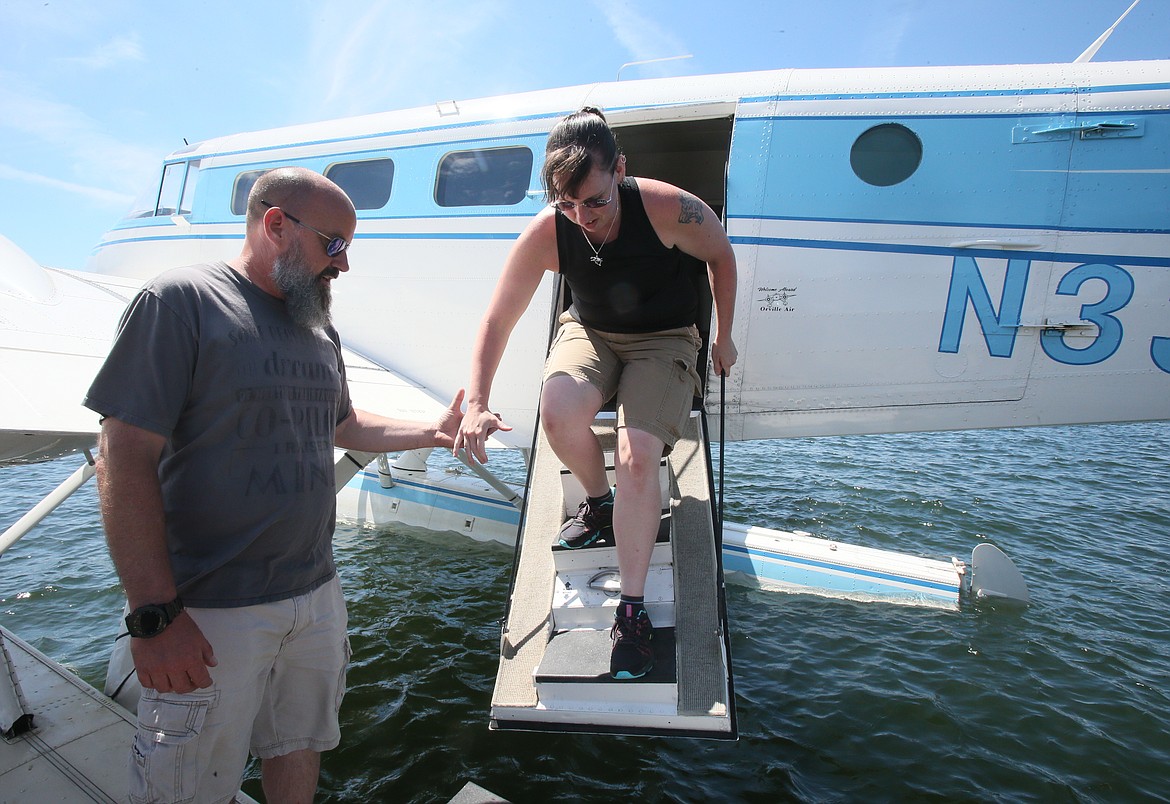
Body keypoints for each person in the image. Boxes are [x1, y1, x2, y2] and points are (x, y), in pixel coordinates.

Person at [84, 166, 463, 804]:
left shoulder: (319, 327)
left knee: (299, 743)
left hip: (315, 595)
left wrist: (434, 430)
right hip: (207, 614)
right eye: (333, 244)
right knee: (186, 784)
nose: (342, 265)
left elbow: (342, 421)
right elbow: (121, 455)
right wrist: (153, 617)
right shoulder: (181, 302)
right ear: (276, 224)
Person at [455, 107, 737, 680]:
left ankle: (630, 610)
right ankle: (598, 500)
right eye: (567, 203)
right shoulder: (548, 229)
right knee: (557, 413)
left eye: (596, 201)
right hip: (591, 330)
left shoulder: (665, 207)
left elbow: (721, 257)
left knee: (637, 453)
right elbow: (499, 317)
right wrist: (477, 402)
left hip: (665, 337)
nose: (582, 217)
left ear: (621, 171)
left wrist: (723, 337)